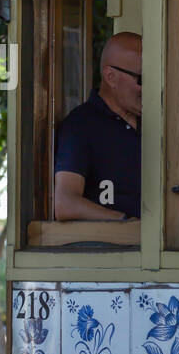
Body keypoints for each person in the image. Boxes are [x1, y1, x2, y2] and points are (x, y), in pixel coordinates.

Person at [54, 32, 142, 220]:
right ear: (110, 77)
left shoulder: (158, 120)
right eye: (142, 80)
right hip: (109, 244)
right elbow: (65, 204)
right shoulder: (80, 125)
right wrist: (124, 222)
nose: (152, 87)